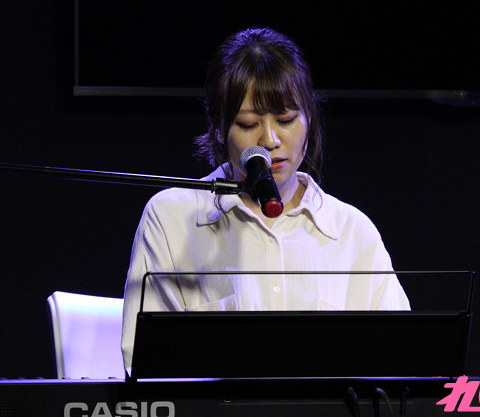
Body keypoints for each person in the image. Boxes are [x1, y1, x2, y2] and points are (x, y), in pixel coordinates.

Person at [121, 28, 410, 371]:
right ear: (218, 127)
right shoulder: (172, 217)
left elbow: (398, 363)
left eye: (286, 119)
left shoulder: (352, 231)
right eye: (248, 124)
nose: (270, 140)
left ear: (309, 118)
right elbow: (146, 365)